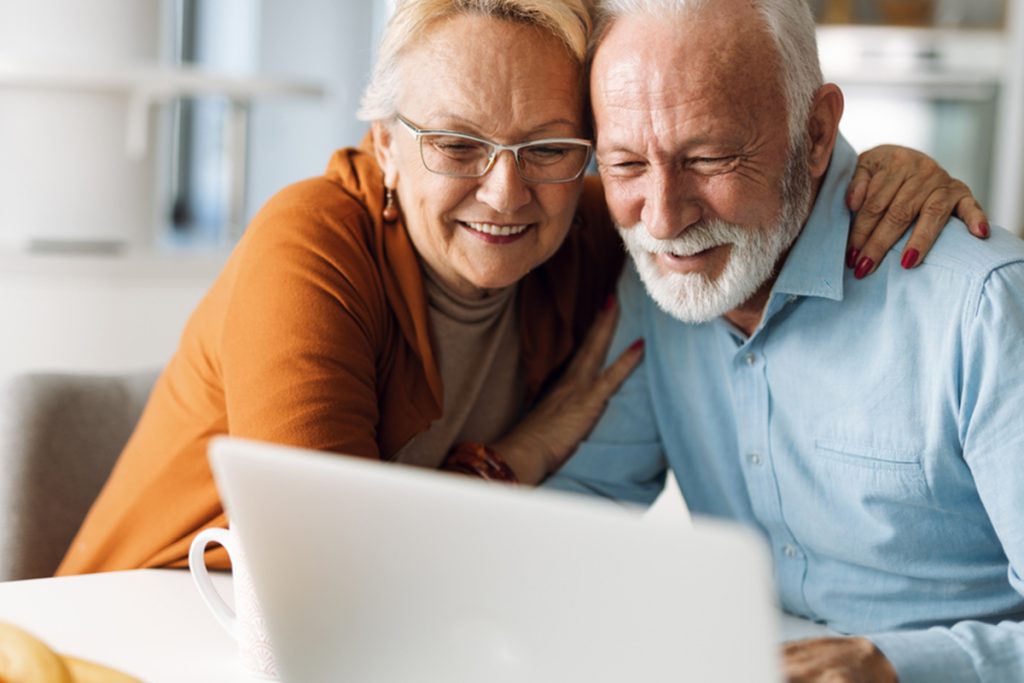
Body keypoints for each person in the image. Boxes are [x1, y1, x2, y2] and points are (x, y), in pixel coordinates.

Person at [59, 0, 983, 576]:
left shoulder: (602, 228)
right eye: (457, 144)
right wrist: (525, 449)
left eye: (547, 147)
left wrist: (874, 173)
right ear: (385, 142)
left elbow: (716, 193)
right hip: (162, 627)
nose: (507, 193)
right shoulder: (311, 244)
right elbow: (327, 568)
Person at [546, 1, 1024, 681]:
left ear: (819, 131)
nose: (662, 218)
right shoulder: (662, 284)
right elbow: (580, 509)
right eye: (624, 164)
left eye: (709, 157)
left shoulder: (982, 308)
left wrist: (896, 665)